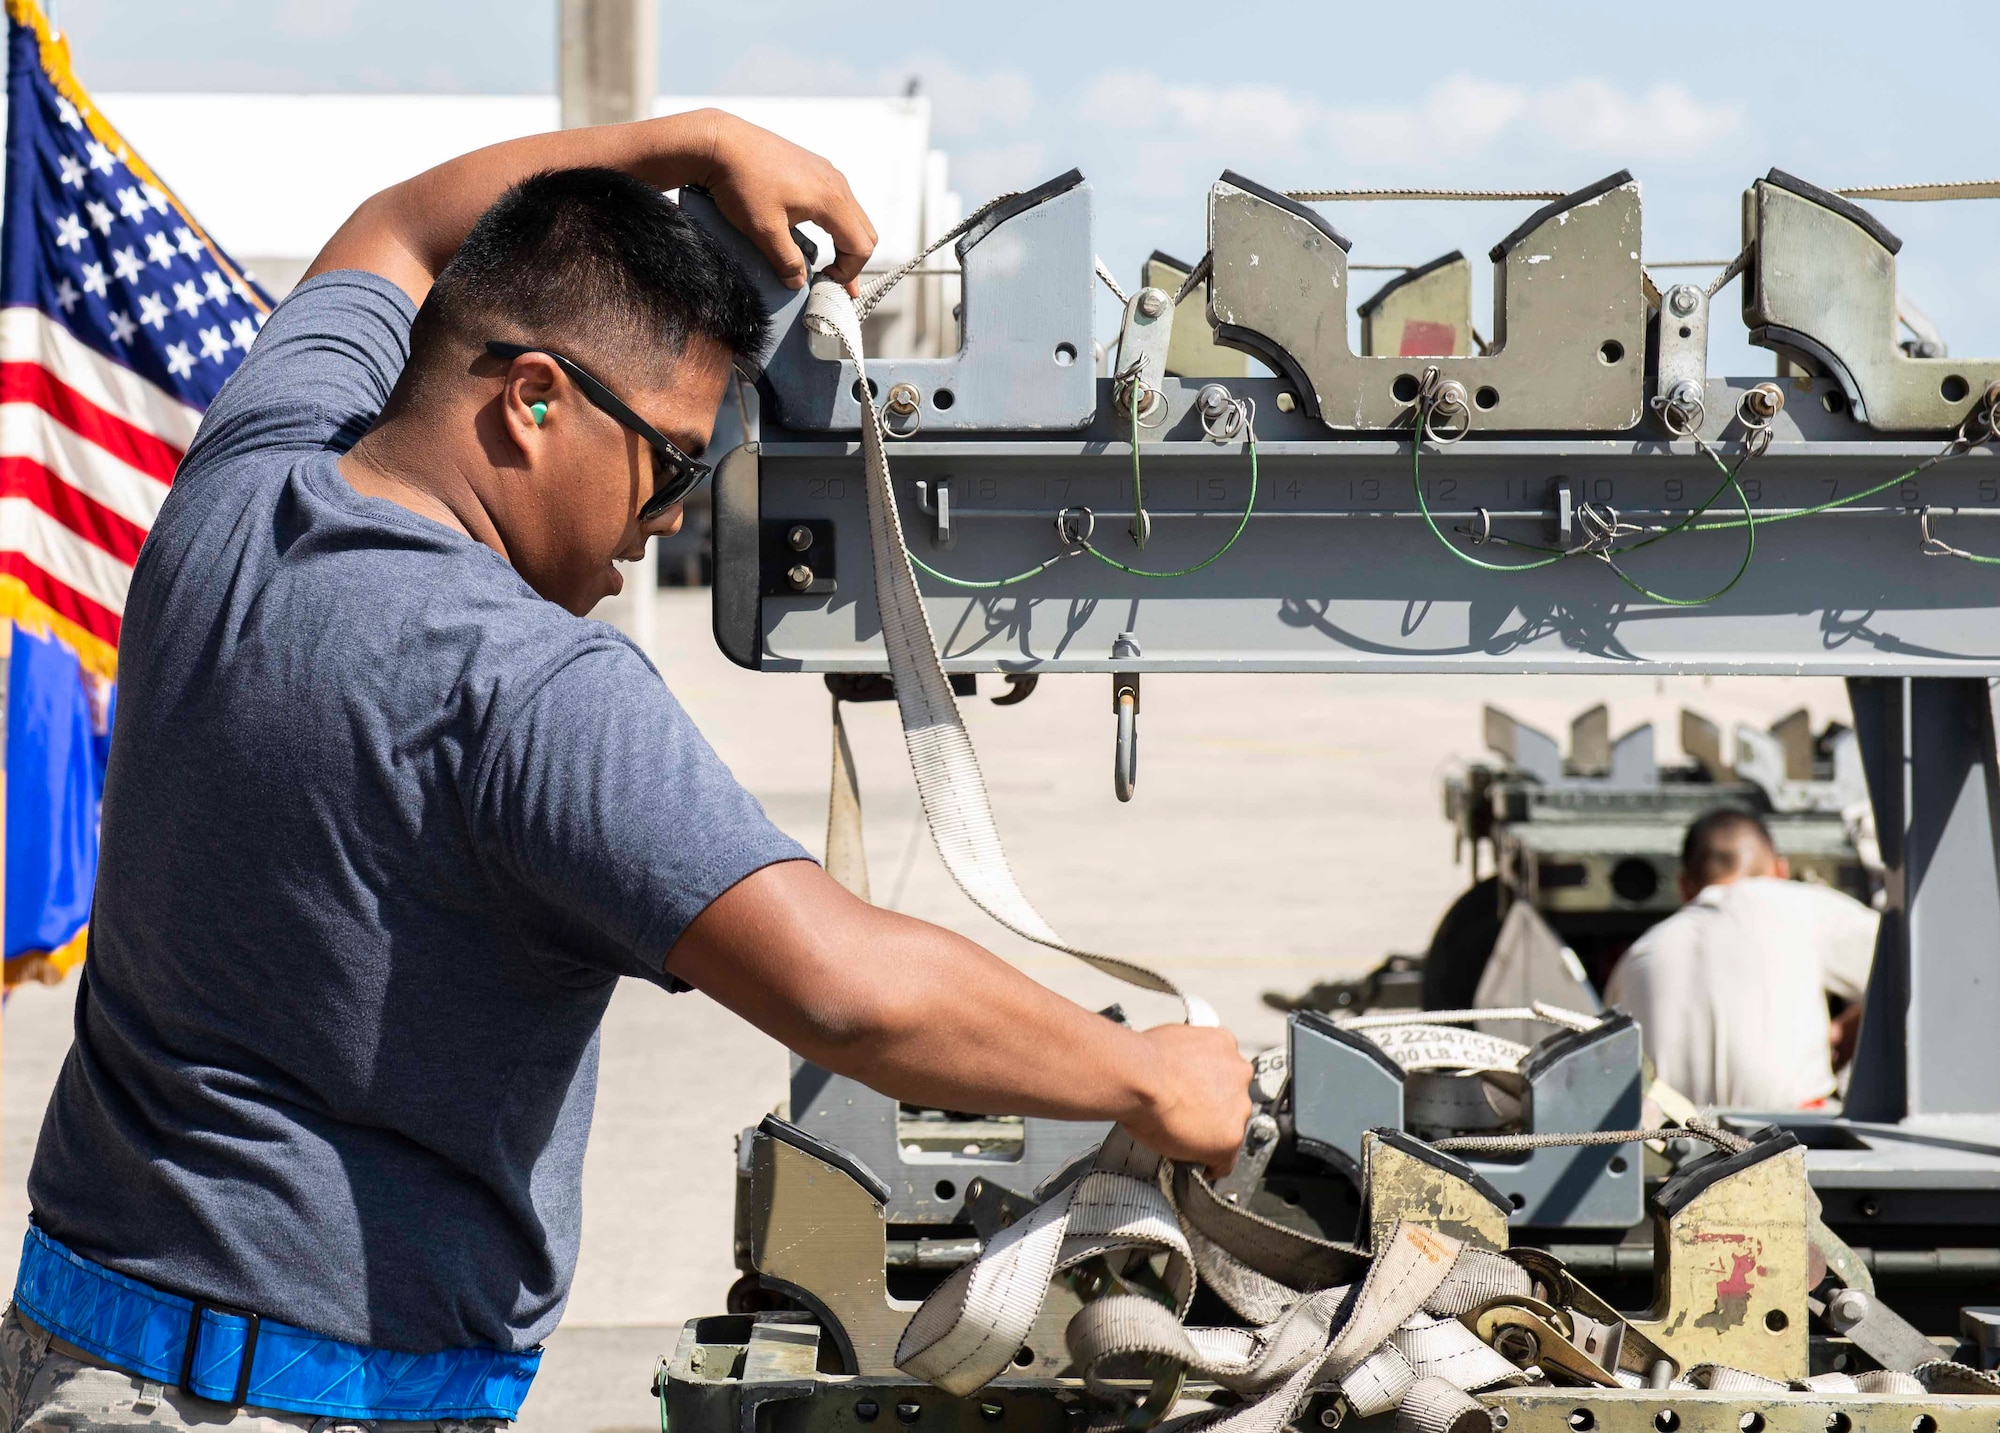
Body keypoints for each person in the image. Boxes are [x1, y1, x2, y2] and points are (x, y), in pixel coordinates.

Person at [0, 111, 1253, 1430]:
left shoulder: (242, 484)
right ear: (533, 399)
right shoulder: (530, 689)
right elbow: (848, 992)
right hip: (294, 1401)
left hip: (67, 1344)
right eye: (672, 466)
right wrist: (1151, 1076)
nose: (665, 527)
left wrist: (681, 144)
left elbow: (399, 227)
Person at [1604, 808, 1876, 1110]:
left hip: (1674, 1146)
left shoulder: (1639, 954)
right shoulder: (1799, 905)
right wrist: (1844, 1032)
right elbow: (1912, 968)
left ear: (1685, 886)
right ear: (1781, 872)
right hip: (1795, 1137)